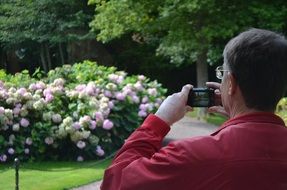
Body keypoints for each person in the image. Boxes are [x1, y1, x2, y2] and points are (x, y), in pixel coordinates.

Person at [101, 28, 287, 190]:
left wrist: (158, 121)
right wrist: (238, 120)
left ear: (230, 83)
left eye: (222, 74)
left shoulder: (194, 156)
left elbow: (116, 183)